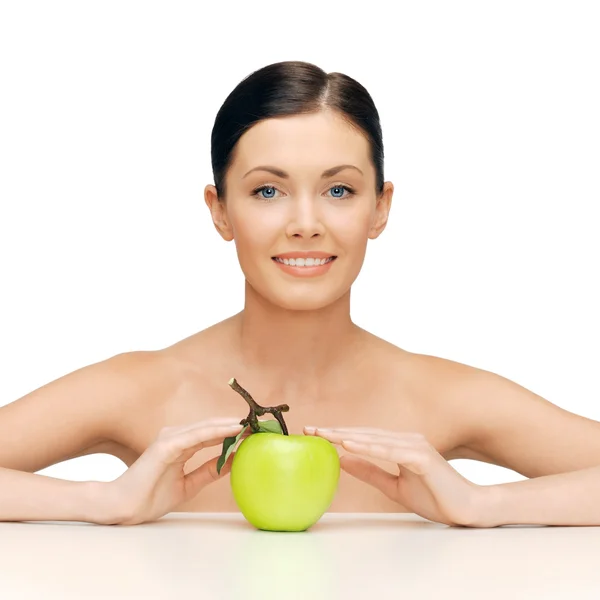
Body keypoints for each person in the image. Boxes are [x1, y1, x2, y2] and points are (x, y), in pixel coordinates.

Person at [1, 60, 599, 528]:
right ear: (220, 211)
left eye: (339, 191)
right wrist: (103, 501)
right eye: (267, 192)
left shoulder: (443, 396)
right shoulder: (139, 388)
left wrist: (479, 504)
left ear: (380, 208)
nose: (306, 222)